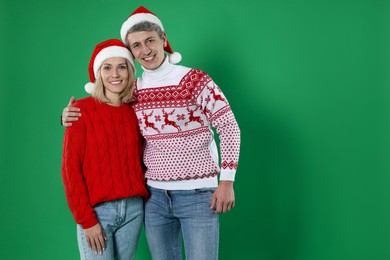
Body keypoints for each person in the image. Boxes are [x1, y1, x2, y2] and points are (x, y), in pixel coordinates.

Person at [62, 6, 241, 260]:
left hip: (199, 196)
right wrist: (67, 116)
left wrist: (227, 181)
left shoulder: (194, 80)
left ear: (163, 40)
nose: (145, 50)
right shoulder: (132, 91)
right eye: (136, 46)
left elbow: (229, 126)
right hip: (154, 199)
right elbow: (105, 115)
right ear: (132, 53)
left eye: (150, 41)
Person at [61, 39, 148, 260]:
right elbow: (70, 170)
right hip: (98, 212)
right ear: (98, 73)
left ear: (130, 71)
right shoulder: (81, 110)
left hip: (134, 209)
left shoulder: (135, 111)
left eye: (121, 67)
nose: (115, 74)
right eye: (107, 68)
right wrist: (87, 220)